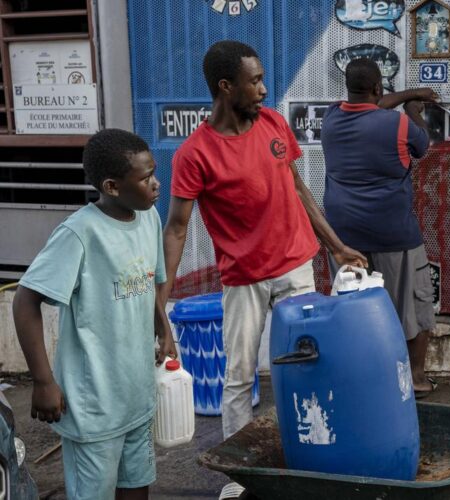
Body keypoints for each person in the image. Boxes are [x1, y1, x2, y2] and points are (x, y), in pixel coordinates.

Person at [160, 40, 365, 499]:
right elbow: (175, 228)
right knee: (239, 377)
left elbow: (298, 189)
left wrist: (336, 246)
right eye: (254, 81)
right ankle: (239, 476)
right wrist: (160, 304)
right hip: (244, 279)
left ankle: (310, 456)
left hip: (296, 268)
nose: (264, 89)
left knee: (309, 367)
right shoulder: (195, 153)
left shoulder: (272, 123)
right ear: (225, 86)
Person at [13, 129, 176, 500]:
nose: (156, 183)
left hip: (136, 397)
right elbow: (25, 301)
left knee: (136, 488)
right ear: (112, 186)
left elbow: (149, 283)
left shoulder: (147, 218)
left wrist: (163, 328)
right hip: (94, 406)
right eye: (146, 176)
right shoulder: (80, 233)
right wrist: (43, 381)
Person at [320, 58, 439, 397]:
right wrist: (415, 108)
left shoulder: (331, 118)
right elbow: (422, 146)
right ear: (377, 88)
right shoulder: (398, 125)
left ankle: (362, 380)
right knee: (414, 309)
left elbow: (369, 105)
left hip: (344, 240)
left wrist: (407, 93)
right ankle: (415, 379)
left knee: (353, 310)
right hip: (395, 236)